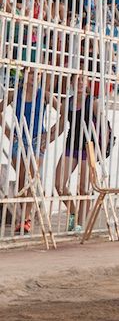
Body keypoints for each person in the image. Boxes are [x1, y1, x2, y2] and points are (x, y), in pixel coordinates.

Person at [0, 68, 65, 235]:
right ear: (24, 74)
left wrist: (50, 135)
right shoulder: (15, 94)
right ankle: (22, 217)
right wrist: (9, 133)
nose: (33, 77)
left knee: (31, 177)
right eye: (30, 73)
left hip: (36, 140)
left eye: (37, 74)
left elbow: (65, 114)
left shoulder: (44, 95)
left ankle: (26, 218)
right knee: (22, 179)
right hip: (19, 139)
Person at [53, 74, 102, 231]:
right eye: (77, 79)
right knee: (59, 185)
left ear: (87, 83)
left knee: (84, 188)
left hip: (88, 148)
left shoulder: (93, 102)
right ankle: (73, 212)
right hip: (71, 145)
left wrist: (101, 151)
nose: (81, 82)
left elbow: (103, 127)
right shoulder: (67, 102)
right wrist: (46, 139)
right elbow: (60, 126)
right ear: (72, 82)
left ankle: (80, 226)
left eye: (83, 79)